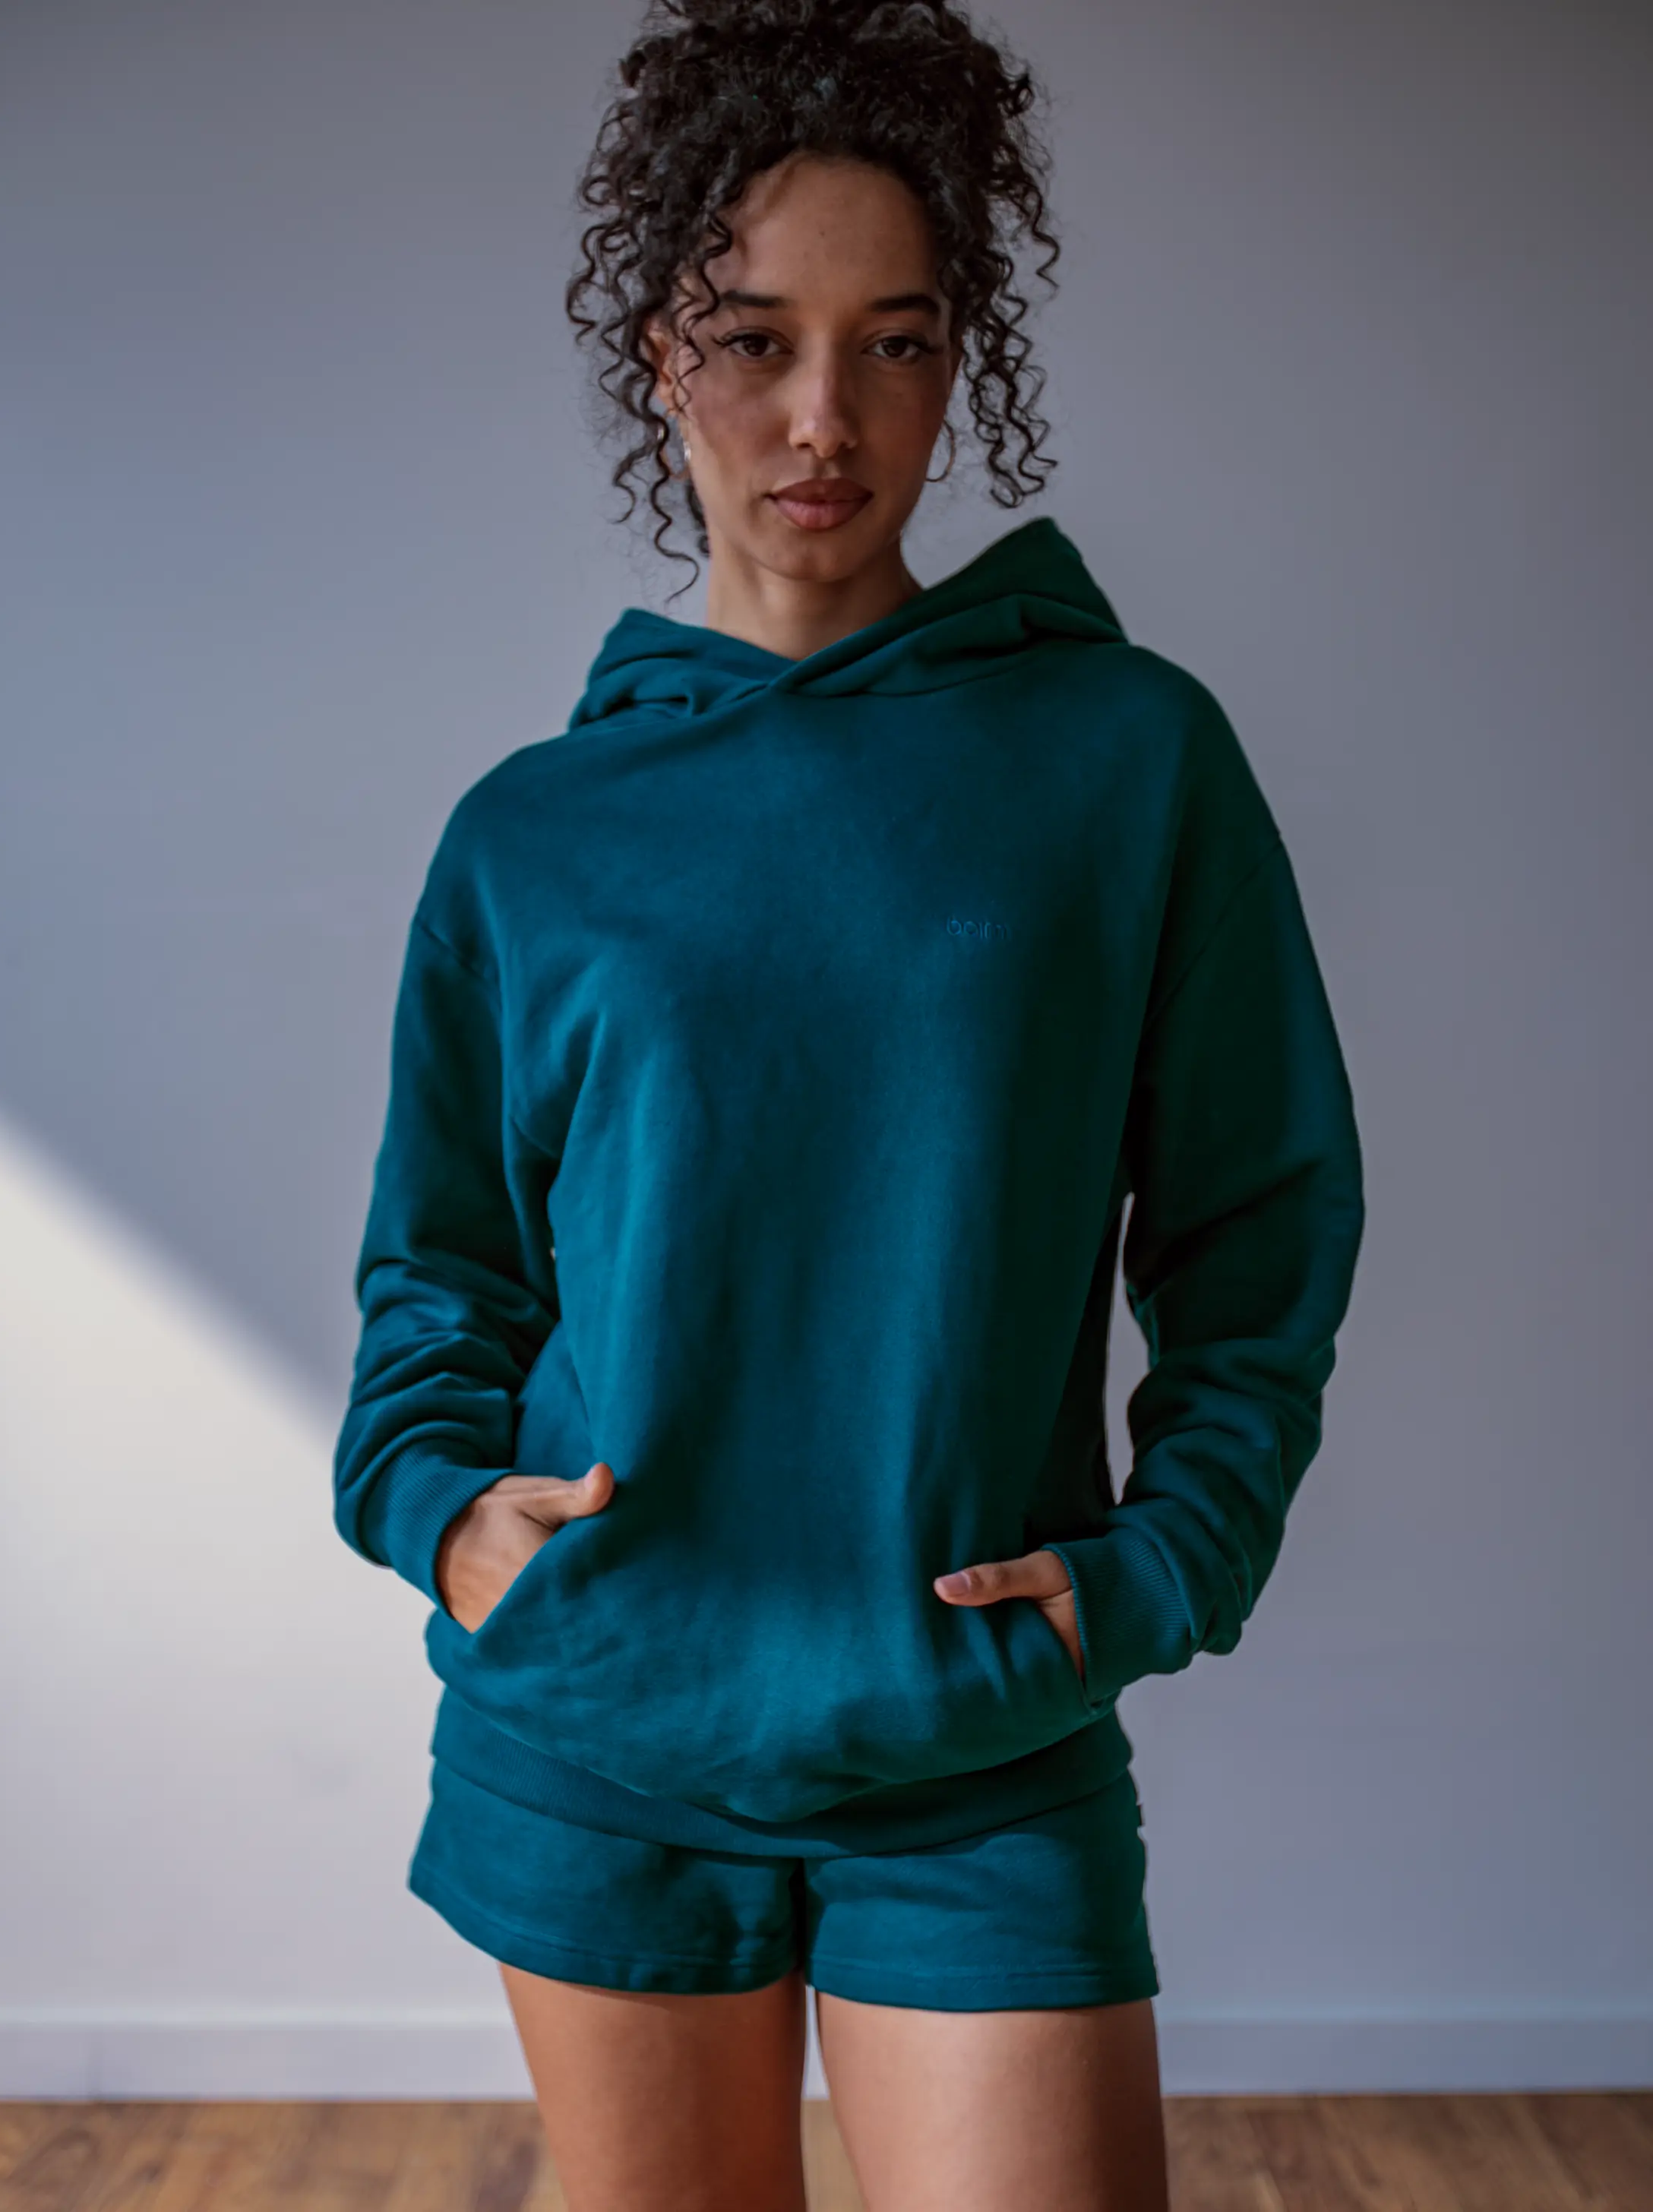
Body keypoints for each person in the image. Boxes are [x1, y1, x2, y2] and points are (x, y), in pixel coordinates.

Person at [331, 2, 1366, 2204]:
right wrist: (441, 1513)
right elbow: (440, 1263)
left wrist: (1171, 1564)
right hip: (605, 1721)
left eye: (895, 343)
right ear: (656, 356)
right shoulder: (536, 830)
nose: (824, 415)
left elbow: (1261, 1218)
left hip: (976, 1733)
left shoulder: (1121, 759)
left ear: (956, 362)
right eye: (755, 338)